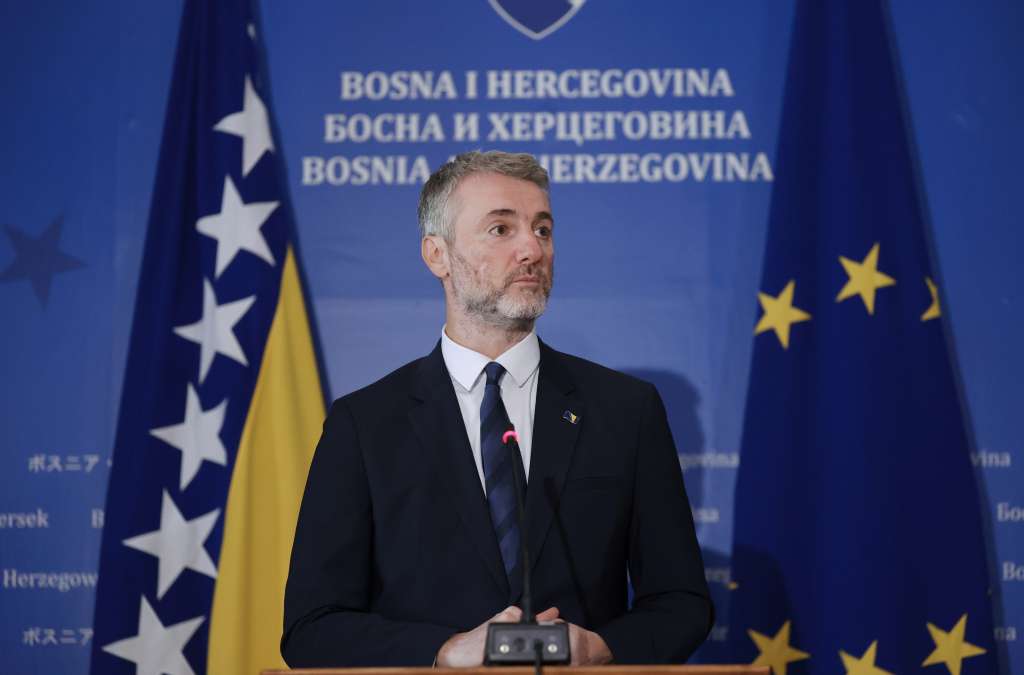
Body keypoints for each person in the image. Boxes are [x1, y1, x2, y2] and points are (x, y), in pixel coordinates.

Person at [281, 150, 712, 667]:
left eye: (543, 229)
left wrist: (600, 648)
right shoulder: (365, 424)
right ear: (437, 255)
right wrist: (443, 653)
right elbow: (312, 627)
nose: (532, 249)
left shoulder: (625, 410)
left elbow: (681, 603)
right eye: (501, 229)